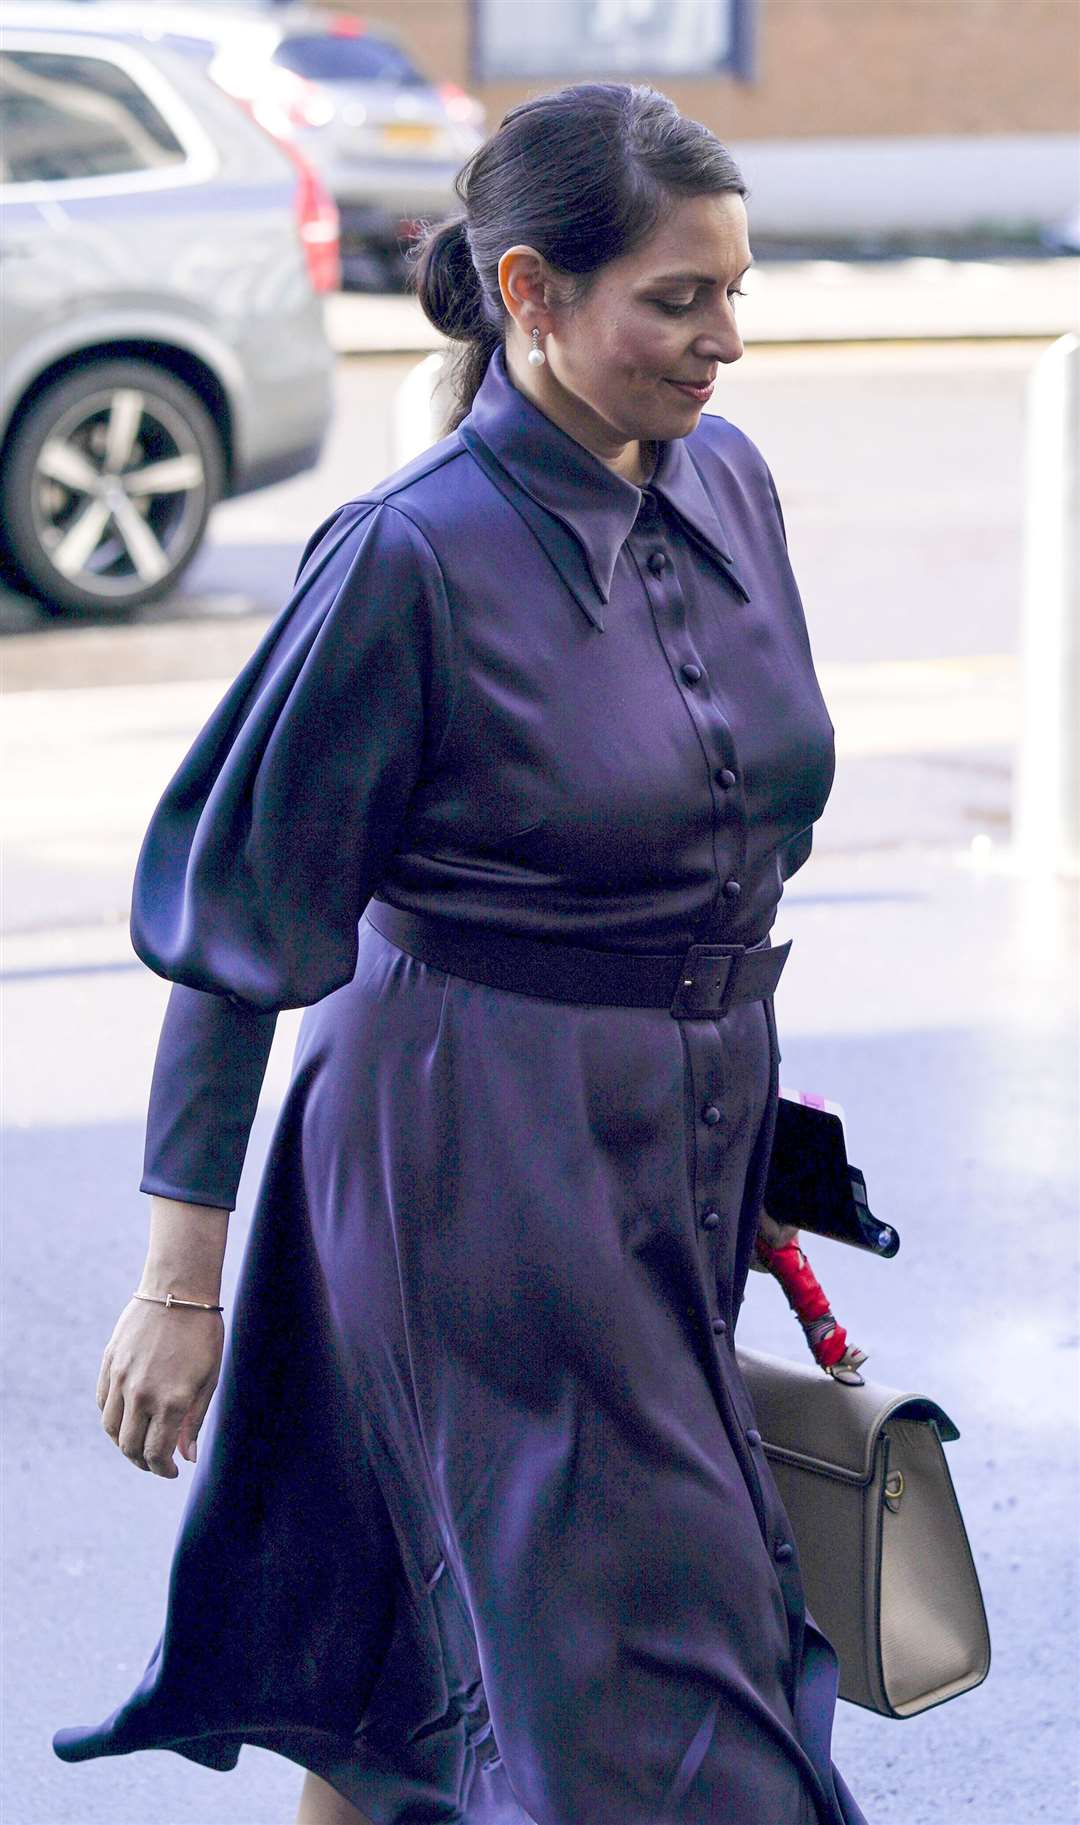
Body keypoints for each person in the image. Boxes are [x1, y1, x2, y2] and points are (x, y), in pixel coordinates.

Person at [54, 81, 870, 1825]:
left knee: (426, 1669)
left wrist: (744, 1124)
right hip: (474, 1166)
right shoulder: (405, 558)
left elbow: (732, 843)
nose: (727, 337)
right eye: (678, 298)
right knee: (656, 1697)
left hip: (670, 1154)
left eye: (737, 287)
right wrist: (179, 1280)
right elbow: (237, 921)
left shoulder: (730, 479)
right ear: (528, 294)